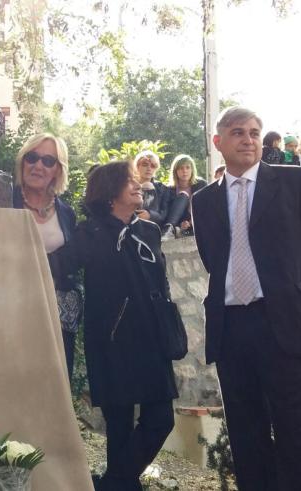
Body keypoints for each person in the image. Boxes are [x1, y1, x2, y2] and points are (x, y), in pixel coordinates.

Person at [191, 107, 301, 490]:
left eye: (255, 132)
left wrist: (296, 294)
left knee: (297, 431)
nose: (249, 139)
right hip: (231, 328)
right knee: (245, 434)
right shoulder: (204, 200)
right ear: (218, 141)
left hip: (283, 324)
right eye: (238, 132)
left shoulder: (296, 182)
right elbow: (213, 259)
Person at [50, 160, 178, 491]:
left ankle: (111, 483)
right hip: (110, 341)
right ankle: (122, 484)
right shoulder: (88, 233)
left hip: (152, 338)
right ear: (110, 193)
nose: (139, 185)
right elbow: (56, 267)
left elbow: (160, 283)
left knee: (161, 419)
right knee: (118, 425)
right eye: (130, 181)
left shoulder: (149, 231)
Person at [11, 133, 81, 380]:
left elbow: (71, 262)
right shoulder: (2, 202)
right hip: (12, 313)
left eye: (48, 161)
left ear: (57, 170)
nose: (38, 165)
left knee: (55, 383)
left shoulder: (67, 214)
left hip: (56, 319)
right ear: (22, 162)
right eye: (32, 157)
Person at [164, 154, 206, 237]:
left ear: (192, 169)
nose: (185, 171)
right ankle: (170, 230)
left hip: (197, 222)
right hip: (177, 225)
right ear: (175, 171)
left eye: (187, 167)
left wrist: (190, 222)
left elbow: (206, 207)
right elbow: (167, 212)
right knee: (183, 196)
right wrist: (181, 224)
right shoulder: (169, 189)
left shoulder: (201, 184)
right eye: (181, 168)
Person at [133, 150, 171, 229]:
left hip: (154, 226)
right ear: (137, 167)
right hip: (133, 224)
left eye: (153, 166)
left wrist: (150, 215)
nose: (149, 168)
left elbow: (164, 214)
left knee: (148, 185)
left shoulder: (163, 188)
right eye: (145, 165)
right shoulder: (128, 186)